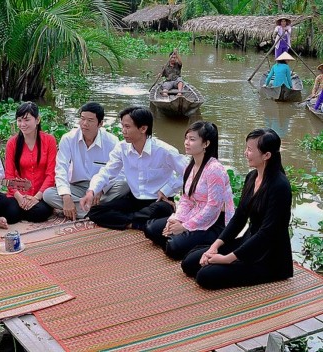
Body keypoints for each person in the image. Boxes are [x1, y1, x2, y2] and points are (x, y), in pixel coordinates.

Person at [181, 129, 293, 289]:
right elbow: (240, 217)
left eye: (250, 149)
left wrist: (228, 258)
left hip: (269, 255)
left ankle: (240, 263)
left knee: (205, 276)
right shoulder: (252, 177)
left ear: (266, 155)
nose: (245, 153)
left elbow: (267, 233)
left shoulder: (279, 186)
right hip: (249, 241)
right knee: (190, 263)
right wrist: (215, 246)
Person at [80, 106, 188, 230]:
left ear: (143, 128)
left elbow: (190, 173)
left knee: (161, 209)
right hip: (134, 199)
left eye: (127, 127)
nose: (123, 131)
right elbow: (107, 172)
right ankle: (138, 223)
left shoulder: (164, 151)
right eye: (122, 126)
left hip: (158, 200)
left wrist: (168, 189)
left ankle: (132, 221)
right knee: (95, 212)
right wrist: (91, 191)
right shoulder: (122, 148)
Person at [144, 121, 235, 259]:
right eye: (186, 138)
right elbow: (186, 198)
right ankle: (183, 239)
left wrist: (185, 226)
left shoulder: (215, 170)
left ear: (206, 144)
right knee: (151, 229)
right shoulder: (190, 165)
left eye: (192, 139)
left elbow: (213, 207)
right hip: (194, 213)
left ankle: (204, 244)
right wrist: (176, 219)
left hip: (215, 222)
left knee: (173, 246)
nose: (187, 142)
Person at [43, 102, 129, 220]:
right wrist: (66, 197)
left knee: (125, 185)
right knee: (48, 194)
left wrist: (100, 190)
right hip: (77, 187)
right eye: (82, 119)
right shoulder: (68, 139)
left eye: (90, 120)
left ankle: (82, 210)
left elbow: (120, 172)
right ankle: (97, 211)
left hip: (102, 190)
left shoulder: (112, 141)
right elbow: (61, 169)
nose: (84, 124)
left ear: (100, 124)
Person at [3, 102, 56, 223]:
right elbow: (9, 175)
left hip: (40, 194)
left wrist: (36, 197)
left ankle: (29, 209)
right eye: (19, 120)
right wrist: (20, 198)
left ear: (37, 120)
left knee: (38, 213)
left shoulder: (49, 140)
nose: (22, 124)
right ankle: (21, 208)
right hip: (18, 194)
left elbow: (51, 174)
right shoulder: (12, 143)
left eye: (26, 120)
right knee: (11, 215)